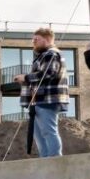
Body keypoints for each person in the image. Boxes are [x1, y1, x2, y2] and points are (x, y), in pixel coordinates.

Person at [19, 27, 65, 157]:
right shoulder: (44, 55)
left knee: (48, 132)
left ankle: (54, 160)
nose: (33, 42)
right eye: (33, 39)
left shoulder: (51, 54)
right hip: (40, 100)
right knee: (40, 135)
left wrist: (26, 77)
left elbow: (48, 73)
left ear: (48, 39)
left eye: (36, 39)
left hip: (47, 99)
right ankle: (45, 161)